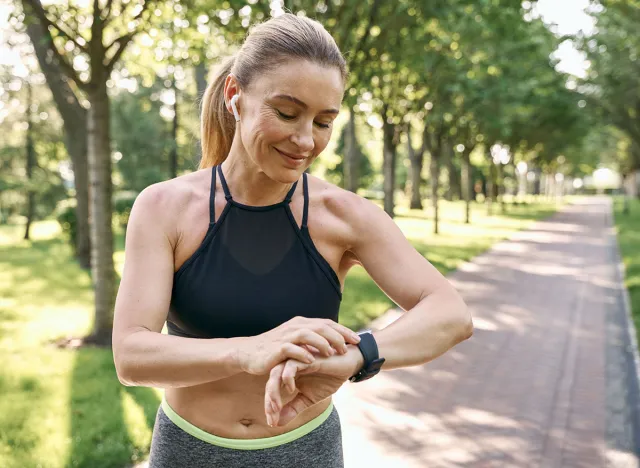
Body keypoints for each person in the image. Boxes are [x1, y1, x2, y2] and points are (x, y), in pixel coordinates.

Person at [112, 13, 473, 468]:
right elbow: (131, 354)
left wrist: (361, 355)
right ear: (234, 97)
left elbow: (450, 313)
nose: (305, 140)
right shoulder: (163, 208)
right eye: (286, 113)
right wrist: (249, 351)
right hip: (188, 450)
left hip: (307, 452)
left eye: (324, 122)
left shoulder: (346, 216)